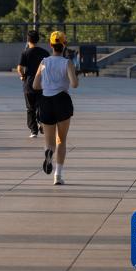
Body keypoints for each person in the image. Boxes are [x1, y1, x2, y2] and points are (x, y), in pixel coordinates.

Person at [32, 30, 79, 186]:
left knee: (50, 141)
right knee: (62, 140)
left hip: (46, 101)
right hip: (62, 100)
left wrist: (48, 84)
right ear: (64, 44)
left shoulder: (44, 62)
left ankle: (49, 152)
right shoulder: (67, 63)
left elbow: (35, 85)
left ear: (51, 45)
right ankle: (58, 175)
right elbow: (74, 84)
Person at [17, 29, 49, 138]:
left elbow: (20, 68)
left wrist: (22, 76)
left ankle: (33, 131)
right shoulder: (45, 53)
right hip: (42, 84)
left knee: (30, 108)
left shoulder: (25, 53)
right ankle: (41, 122)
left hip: (29, 84)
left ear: (28, 40)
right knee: (41, 106)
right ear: (38, 39)